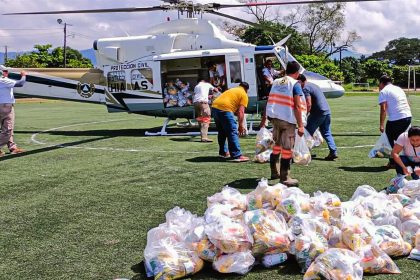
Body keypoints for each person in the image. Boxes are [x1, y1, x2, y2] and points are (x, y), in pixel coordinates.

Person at [265, 61, 304, 186]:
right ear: (297, 73)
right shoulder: (295, 84)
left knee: (277, 144)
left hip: (275, 117)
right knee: (287, 148)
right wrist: (301, 125)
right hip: (287, 119)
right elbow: (297, 106)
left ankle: (274, 171)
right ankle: (285, 177)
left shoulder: (276, 81)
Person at [298, 74, 338, 160]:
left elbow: (308, 103)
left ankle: (304, 153)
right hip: (327, 111)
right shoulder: (313, 85)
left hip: (317, 112)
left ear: (300, 81)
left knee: (307, 132)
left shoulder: (305, 88)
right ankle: (333, 151)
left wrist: (305, 114)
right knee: (326, 132)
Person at [378, 75, 412, 168]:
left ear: (381, 83)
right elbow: (408, 103)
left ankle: (393, 162)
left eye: (379, 84)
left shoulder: (384, 91)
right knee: (402, 139)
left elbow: (383, 109)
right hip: (408, 116)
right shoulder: (398, 88)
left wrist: (381, 125)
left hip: (397, 118)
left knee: (389, 140)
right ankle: (410, 159)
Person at [211, 82, 249, 162]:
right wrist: (241, 126)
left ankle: (223, 152)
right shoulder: (244, 94)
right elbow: (241, 112)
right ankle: (236, 155)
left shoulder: (232, 90)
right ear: (247, 90)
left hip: (214, 107)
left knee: (222, 132)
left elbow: (234, 107)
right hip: (225, 109)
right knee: (232, 131)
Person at [0, 65, 26, 156]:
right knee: (8, 129)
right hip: (5, 106)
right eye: (6, 71)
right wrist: (23, 75)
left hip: (2, 105)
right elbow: (20, 83)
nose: (7, 73)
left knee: (7, 128)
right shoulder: (3, 79)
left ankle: (12, 147)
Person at [193, 78, 218, 142]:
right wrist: (213, 94)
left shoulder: (196, 86)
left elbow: (198, 94)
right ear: (203, 81)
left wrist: (208, 95)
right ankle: (204, 137)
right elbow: (216, 90)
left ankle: (202, 136)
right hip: (203, 103)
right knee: (206, 119)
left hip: (196, 103)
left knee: (200, 119)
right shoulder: (207, 84)